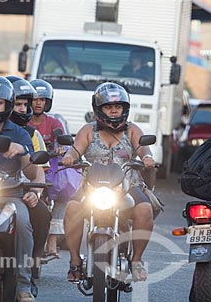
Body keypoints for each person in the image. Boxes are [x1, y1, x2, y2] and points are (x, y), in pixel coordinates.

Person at [61, 82, 155, 283]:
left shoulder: (132, 130)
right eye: (108, 107)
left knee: (145, 209)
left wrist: (147, 157)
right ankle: (75, 261)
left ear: (125, 109)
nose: (114, 110)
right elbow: (75, 149)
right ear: (99, 109)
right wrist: (69, 156)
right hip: (92, 185)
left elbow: (143, 148)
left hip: (128, 184)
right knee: (71, 208)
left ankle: (136, 260)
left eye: (118, 107)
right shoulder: (88, 130)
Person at [0, 75, 45, 302]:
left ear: (7, 105)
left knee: (23, 223)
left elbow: (33, 173)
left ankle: (24, 286)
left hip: (10, 196)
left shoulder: (20, 133)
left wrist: (24, 153)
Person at [6, 75, 51, 285]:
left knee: (42, 214)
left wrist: (36, 193)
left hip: (24, 191)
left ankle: (33, 259)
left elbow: (40, 169)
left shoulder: (32, 135)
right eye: (18, 104)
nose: (23, 109)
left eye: (26, 105)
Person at [28, 79, 67, 257]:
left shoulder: (54, 123)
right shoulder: (23, 121)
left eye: (42, 100)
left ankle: (52, 239)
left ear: (47, 102)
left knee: (63, 194)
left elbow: (62, 142)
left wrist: (60, 148)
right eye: (35, 99)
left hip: (51, 167)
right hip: (29, 167)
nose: (38, 103)